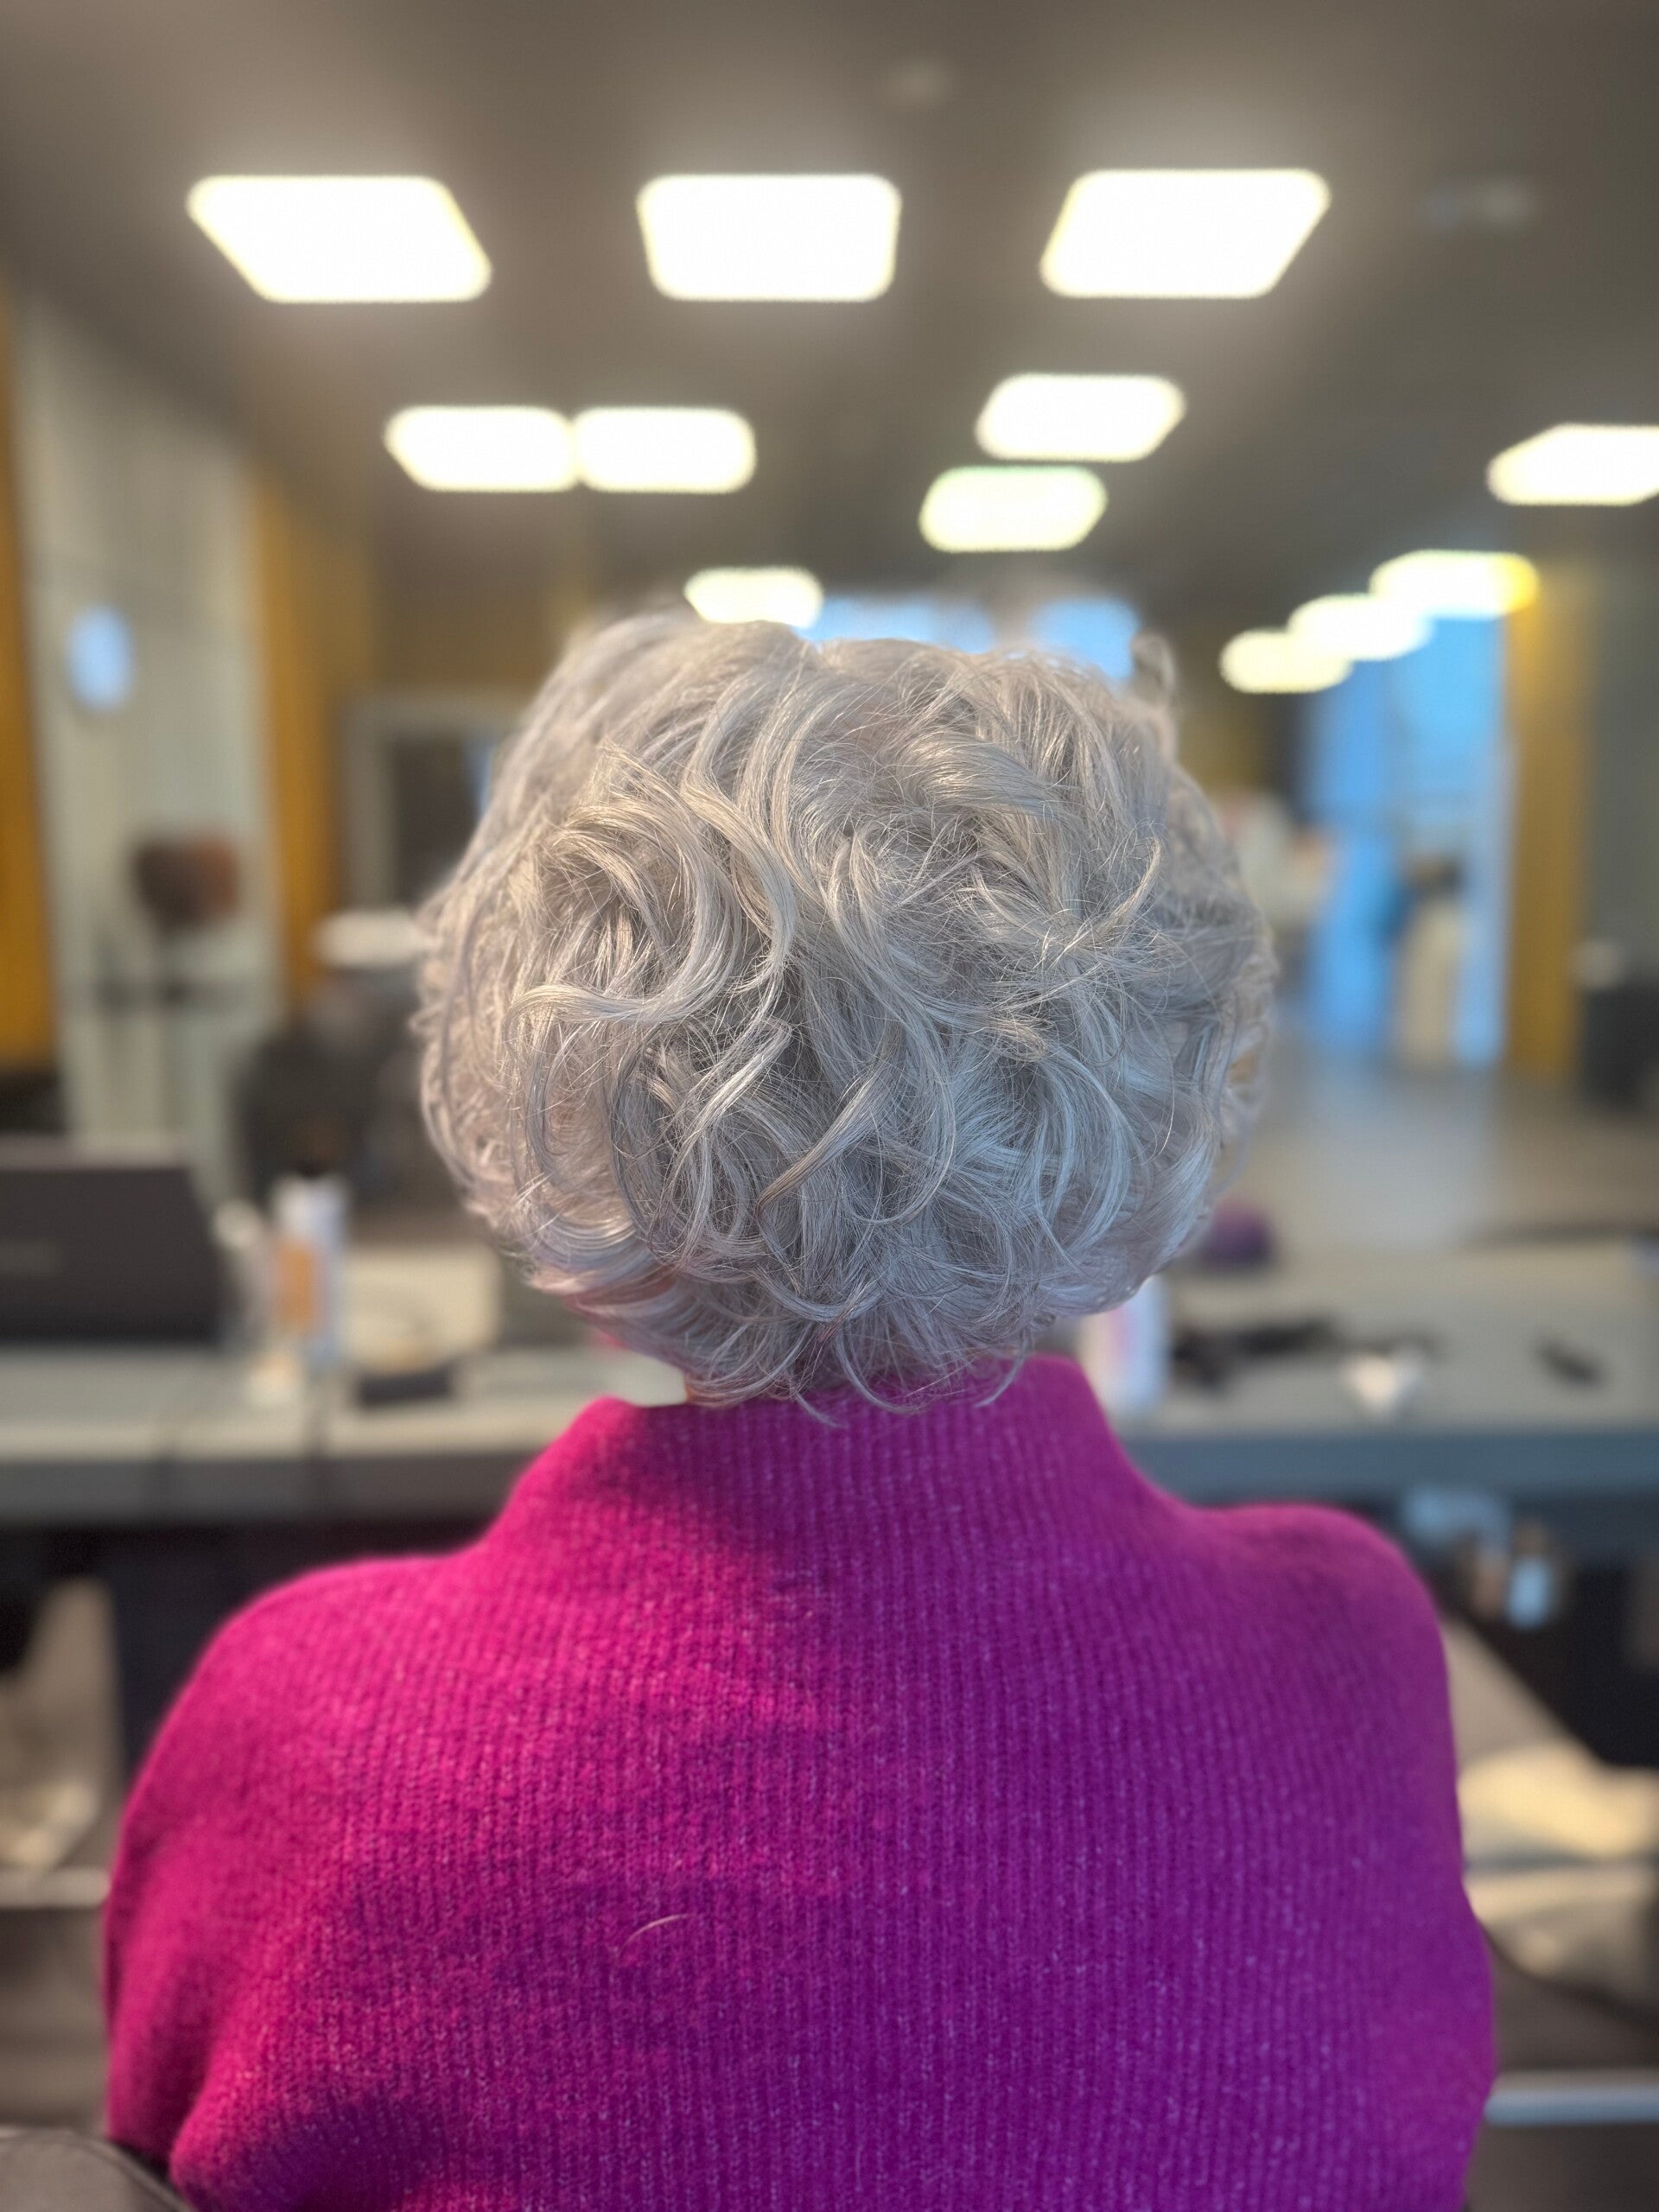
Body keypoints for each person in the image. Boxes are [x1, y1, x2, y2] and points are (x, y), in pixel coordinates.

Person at [104, 616, 1492, 2211]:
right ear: (1161, 1089)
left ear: (539, 1093)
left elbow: (153, 2152)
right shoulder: (1348, 1648)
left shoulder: (306, 1723)